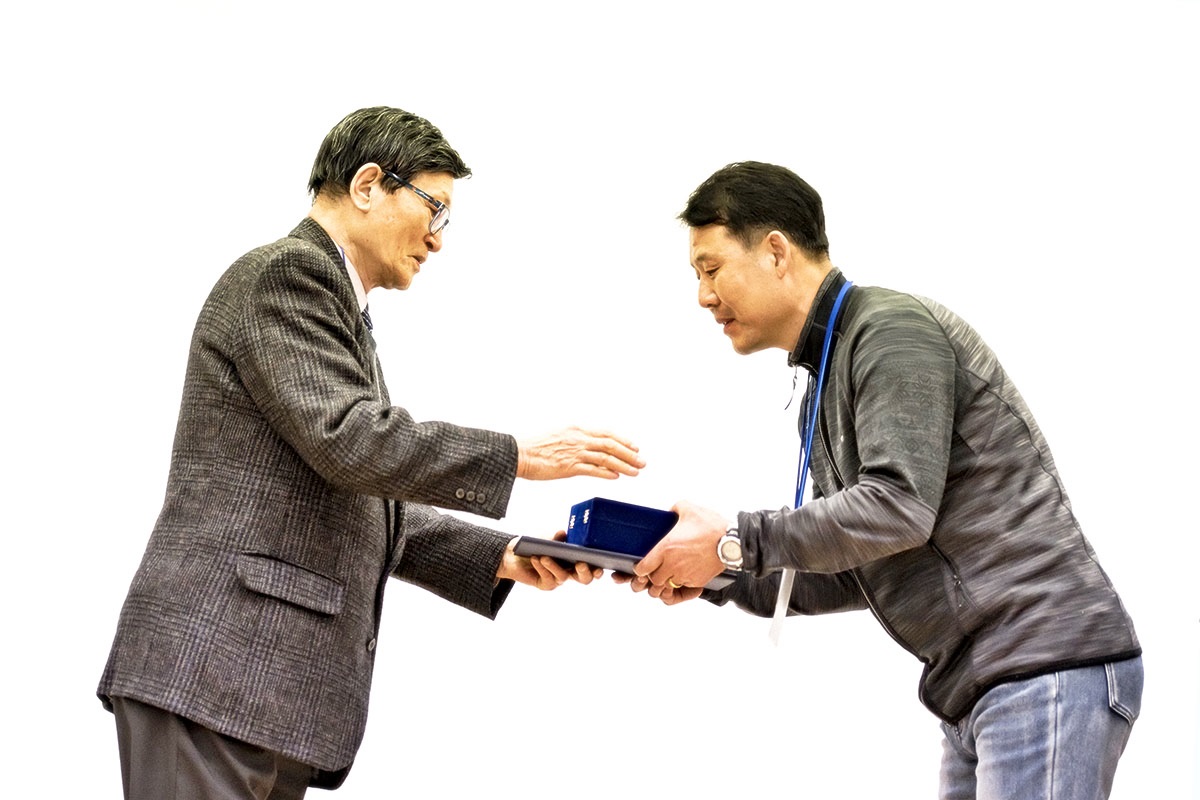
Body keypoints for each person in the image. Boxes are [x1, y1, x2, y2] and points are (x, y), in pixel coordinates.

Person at [97, 105, 646, 799]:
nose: (438, 239)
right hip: (216, 669)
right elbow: (351, 440)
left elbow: (363, 493)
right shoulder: (287, 274)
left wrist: (503, 555)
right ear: (366, 185)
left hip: (255, 690)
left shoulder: (335, 307)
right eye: (435, 209)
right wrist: (515, 455)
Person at [626, 161, 1142, 799]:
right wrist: (711, 568)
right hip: (985, 685)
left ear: (776, 252)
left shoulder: (890, 332)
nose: (703, 296)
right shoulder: (825, 383)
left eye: (711, 269)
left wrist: (734, 539)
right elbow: (855, 566)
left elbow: (897, 509)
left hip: (1040, 659)